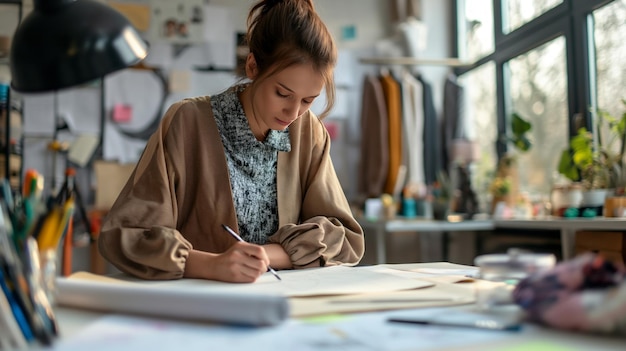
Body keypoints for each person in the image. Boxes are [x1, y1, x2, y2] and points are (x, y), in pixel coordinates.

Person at [98, 0, 365, 283]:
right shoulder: (187, 122)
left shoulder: (308, 131)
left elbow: (344, 238)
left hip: (280, 300)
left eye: (308, 100)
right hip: (196, 304)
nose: (294, 112)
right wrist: (211, 265)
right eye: (282, 93)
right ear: (253, 66)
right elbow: (126, 235)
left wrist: (266, 256)